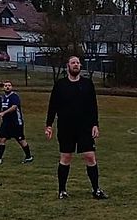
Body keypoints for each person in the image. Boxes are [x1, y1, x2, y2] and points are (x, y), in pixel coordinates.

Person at [45, 56, 108, 200]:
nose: (76, 65)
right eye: (73, 62)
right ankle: (62, 190)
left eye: (78, 63)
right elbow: (52, 106)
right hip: (65, 127)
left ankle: (96, 189)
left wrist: (95, 124)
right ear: (68, 66)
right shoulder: (60, 85)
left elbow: (93, 106)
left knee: (90, 156)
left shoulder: (87, 84)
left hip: (85, 127)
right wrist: (49, 125)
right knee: (66, 157)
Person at [0, 80, 33, 165]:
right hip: (6, 123)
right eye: (5, 85)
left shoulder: (14, 96)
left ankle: (28, 157)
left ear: (11, 87)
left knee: (21, 140)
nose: (7, 87)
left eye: (9, 85)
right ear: (3, 88)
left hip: (16, 123)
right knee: (1, 139)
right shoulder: (3, 98)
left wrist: (4, 113)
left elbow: (14, 107)